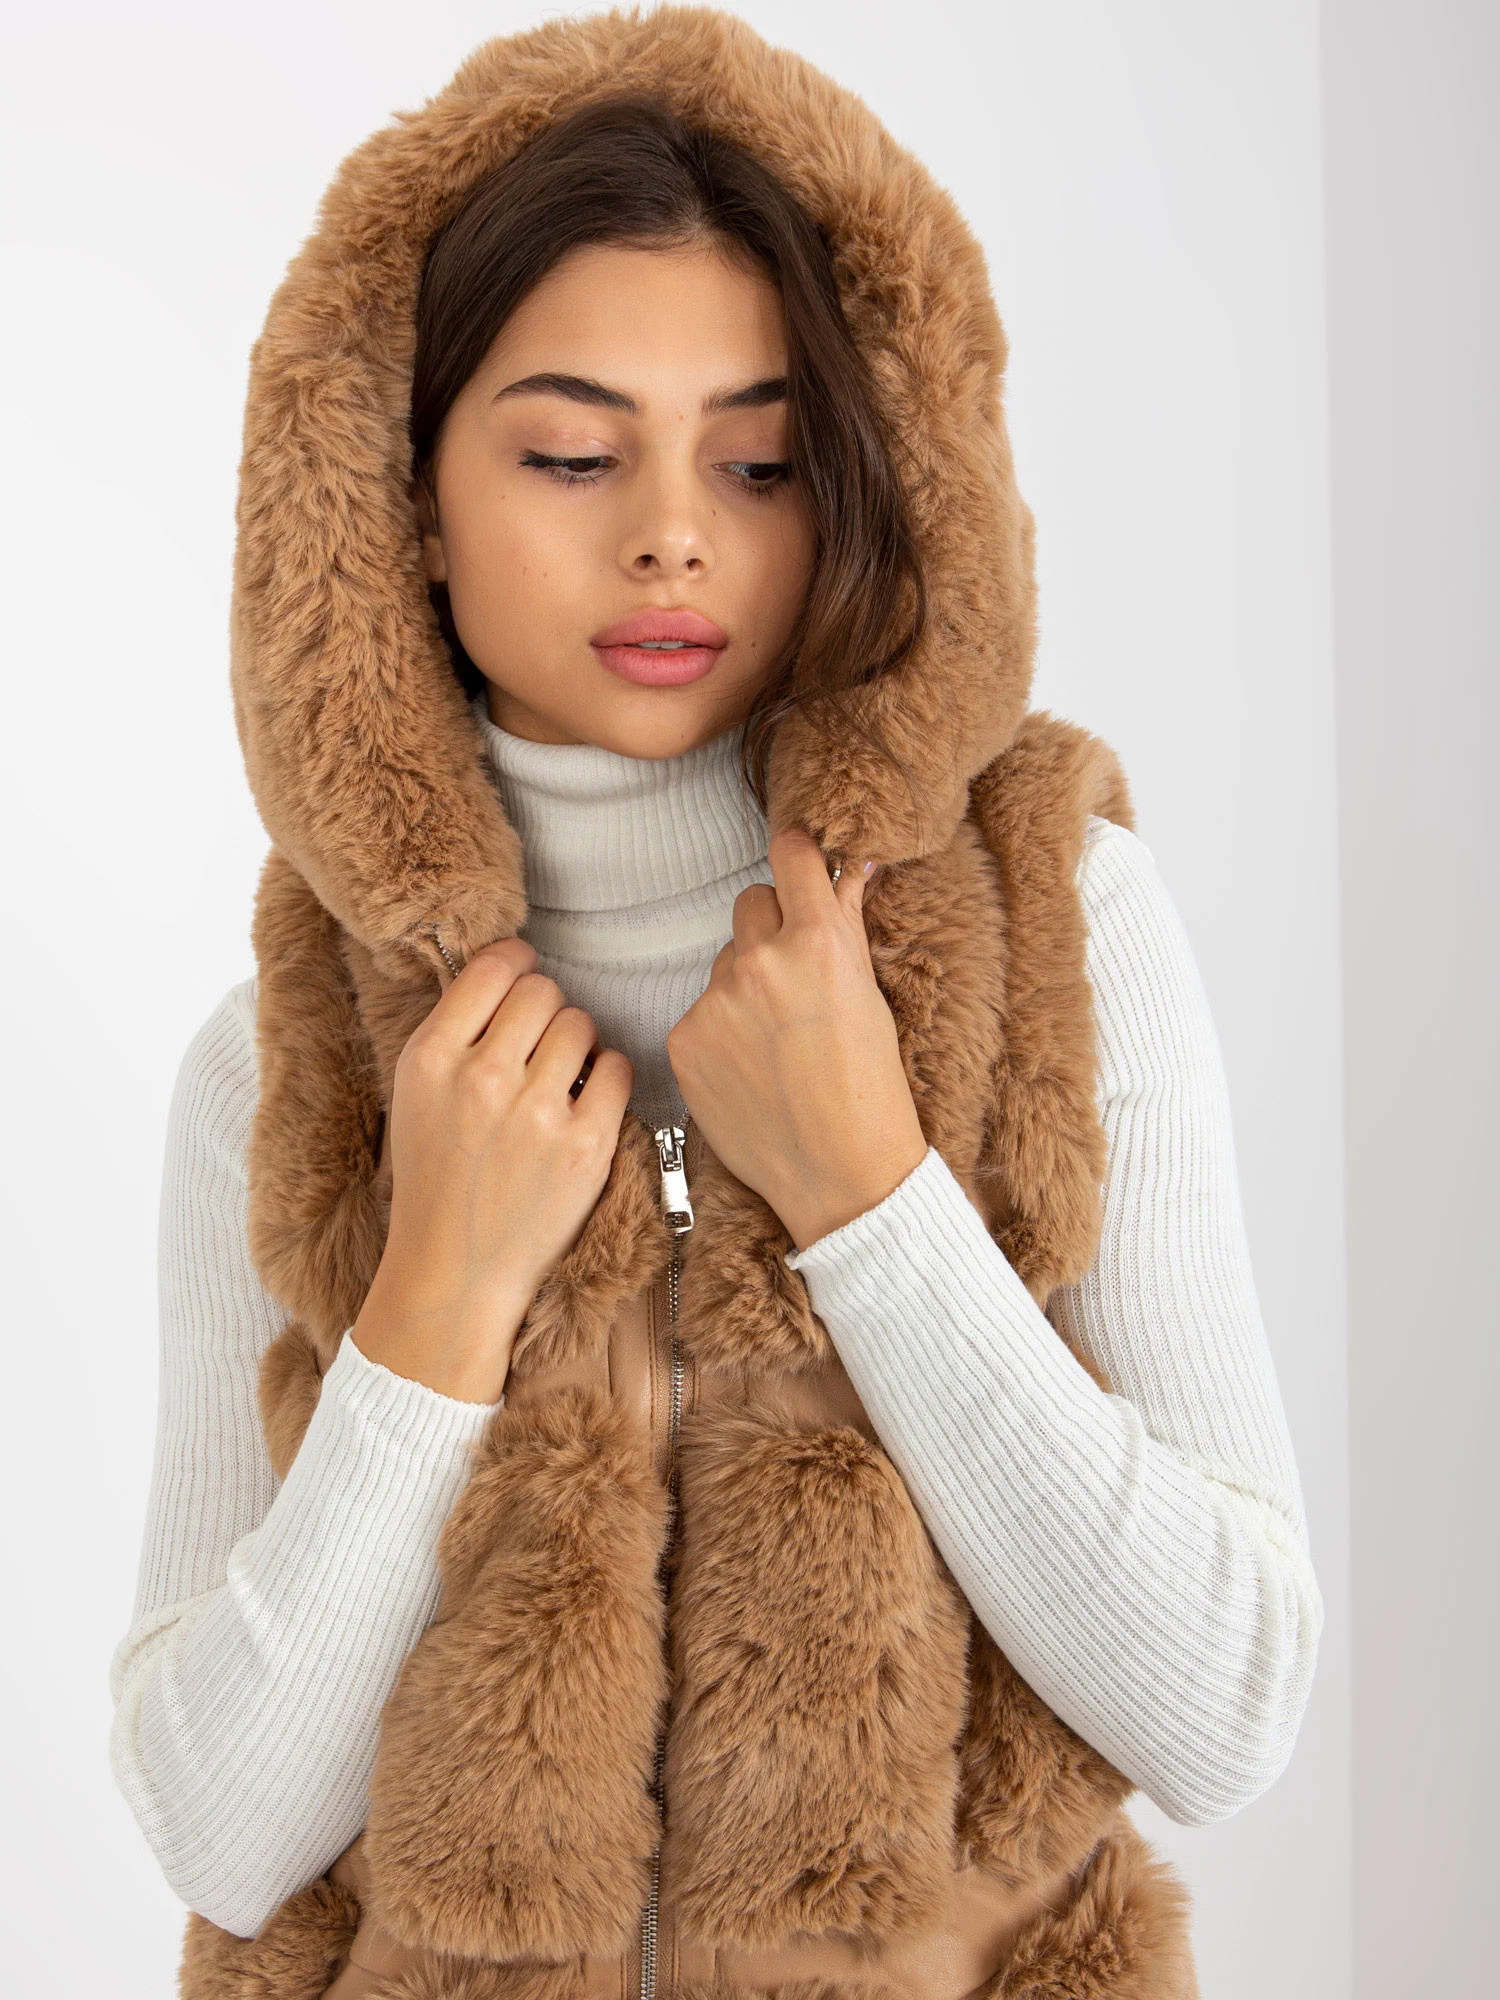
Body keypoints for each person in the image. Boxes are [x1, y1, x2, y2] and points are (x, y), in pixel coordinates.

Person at [108, 11, 1322, 1997]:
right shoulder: (282, 1059)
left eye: (759, 460)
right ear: (402, 498)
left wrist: (873, 1196)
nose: (673, 530)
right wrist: (437, 1306)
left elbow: (1232, 1703)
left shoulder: (1059, 926)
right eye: (572, 454)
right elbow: (220, 1833)